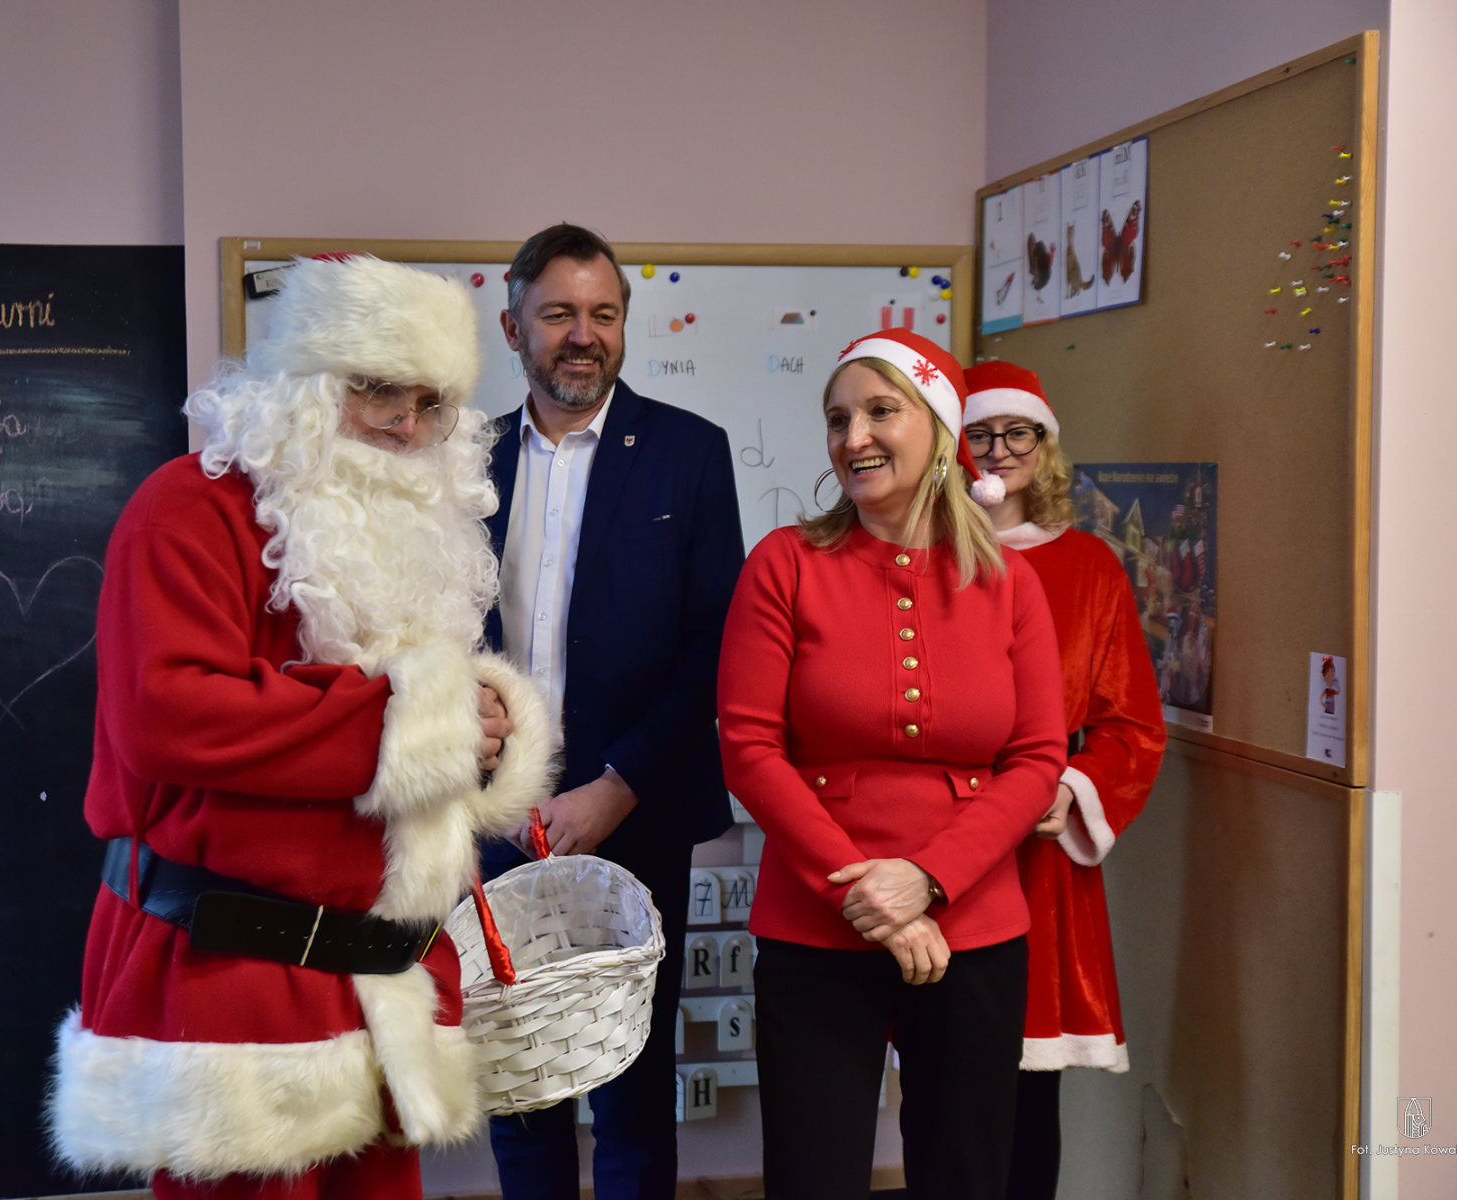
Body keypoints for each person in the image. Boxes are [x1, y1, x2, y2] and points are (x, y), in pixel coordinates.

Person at [48, 255, 556, 1200]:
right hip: (229, 976)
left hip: (381, 977)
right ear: (307, 385)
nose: (407, 428)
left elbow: (411, 720)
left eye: (431, 404)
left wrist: (480, 727)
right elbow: (169, 713)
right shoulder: (188, 509)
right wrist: (418, 723)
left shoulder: (417, 536)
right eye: (377, 390)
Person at [718, 329, 1067, 1200]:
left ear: (940, 431)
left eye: (881, 411)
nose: (854, 437)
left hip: (974, 925)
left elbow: (1037, 758)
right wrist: (867, 894)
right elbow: (749, 749)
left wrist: (927, 880)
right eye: (838, 419)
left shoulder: (1010, 583)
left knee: (966, 1174)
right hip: (815, 922)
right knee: (813, 1176)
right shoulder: (784, 565)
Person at [479, 223, 745, 1199]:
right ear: (514, 327)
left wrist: (617, 786)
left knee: (632, 1093)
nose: (583, 335)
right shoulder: (464, 461)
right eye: (558, 314)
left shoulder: (689, 453)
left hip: (635, 816)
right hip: (498, 824)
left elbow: (714, 645)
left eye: (603, 313)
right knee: (521, 1087)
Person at [960, 361, 1167, 1200]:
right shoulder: (923, 556)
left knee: (1025, 1088)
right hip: (939, 833)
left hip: (1041, 851)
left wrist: (1070, 788)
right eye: (979, 434)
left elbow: (1132, 725)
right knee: (946, 1077)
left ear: (1043, 445)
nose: (999, 451)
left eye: (1018, 433)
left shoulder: (1090, 566)